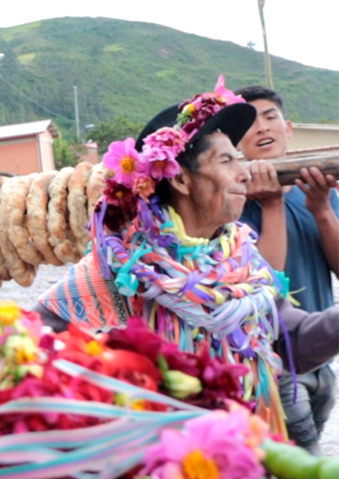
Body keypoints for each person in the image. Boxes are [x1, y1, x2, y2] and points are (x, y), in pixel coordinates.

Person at [35, 77, 339, 438]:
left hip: (235, 449)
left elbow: (294, 340)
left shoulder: (244, 263)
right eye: (227, 160)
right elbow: (38, 343)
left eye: (238, 159)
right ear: (179, 179)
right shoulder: (123, 271)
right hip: (156, 462)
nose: (243, 172)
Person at [236, 85, 339, 453]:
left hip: (323, 358)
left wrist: (322, 209)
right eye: (249, 122)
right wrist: (272, 204)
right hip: (275, 367)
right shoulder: (235, 203)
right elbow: (264, 286)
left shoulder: (318, 191)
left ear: (288, 127)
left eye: (270, 117)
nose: (262, 128)